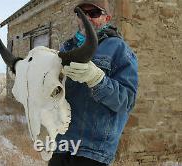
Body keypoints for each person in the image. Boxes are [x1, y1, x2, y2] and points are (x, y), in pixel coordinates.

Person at [48, 0, 138, 166]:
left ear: (107, 18)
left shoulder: (119, 49)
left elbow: (127, 101)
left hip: (94, 151)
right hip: (62, 144)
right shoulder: (65, 48)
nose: (87, 18)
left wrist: (97, 80)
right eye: (81, 13)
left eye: (94, 13)